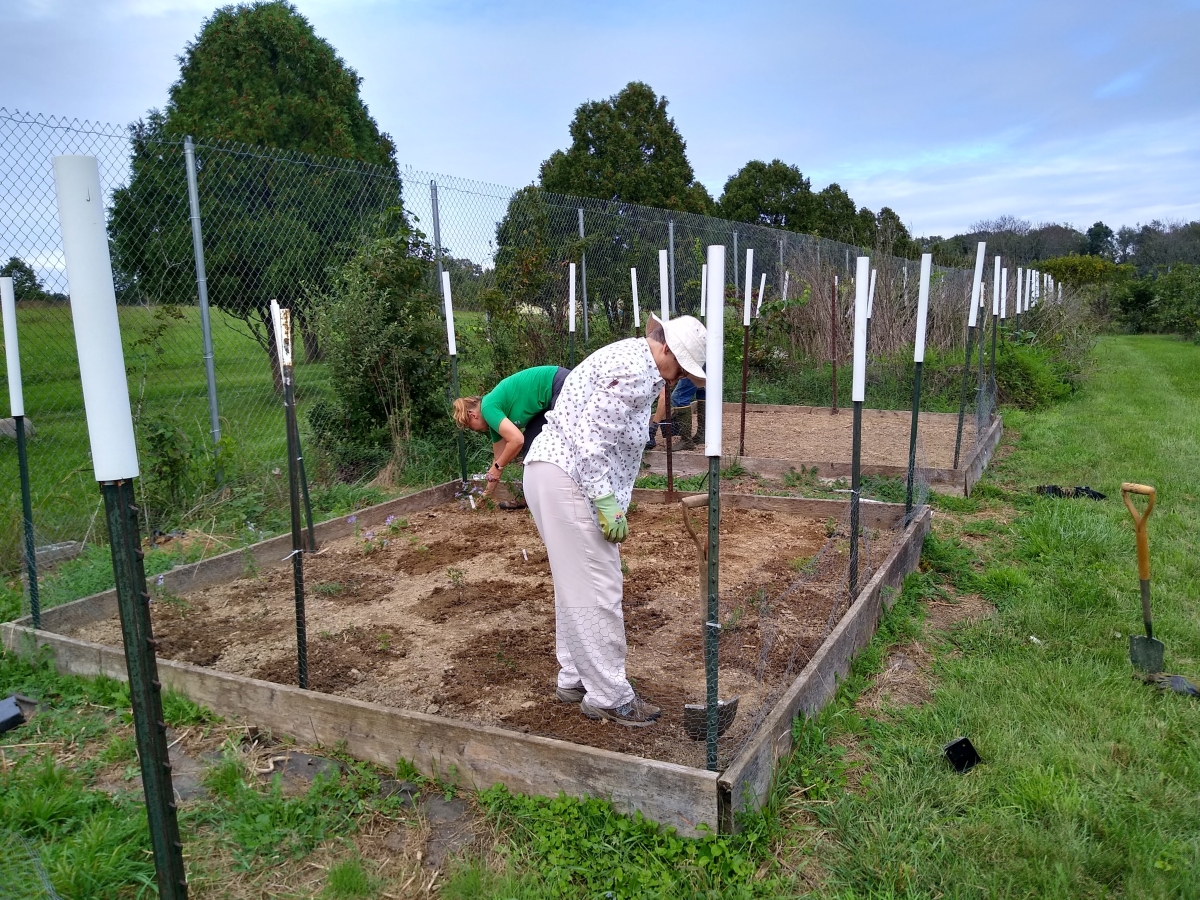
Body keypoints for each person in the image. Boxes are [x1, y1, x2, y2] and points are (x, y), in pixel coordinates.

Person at [524, 314, 707, 727]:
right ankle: (608, 695)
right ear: (667, 349)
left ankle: (574, 676)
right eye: (681, 369)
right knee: (598, 585)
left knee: (574, 585)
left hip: (550, 472)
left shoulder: (629, 358)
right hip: (570, 478)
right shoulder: (634, 374)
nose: (678, 380)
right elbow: (591, 441)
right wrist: (606, 501)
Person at [453, 365, 570, 509]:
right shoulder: (493, 419)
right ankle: (529, 497)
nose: (474, 430)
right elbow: (498, 458)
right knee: (530, 445)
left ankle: (563, 499)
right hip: (547, 401)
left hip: (559, 384)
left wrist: (498, 466)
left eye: (470, 426)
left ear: (473, 415)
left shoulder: (488, 408)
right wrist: (486, 495)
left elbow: (516, 440)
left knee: (561, 441)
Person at [648, 377, 706, 451]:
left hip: (695, 365)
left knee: (679, 397)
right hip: (707, 365)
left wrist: (653, 428)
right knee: (702, 389)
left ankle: (686, 441)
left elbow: (664, 397)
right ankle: (702, 434)